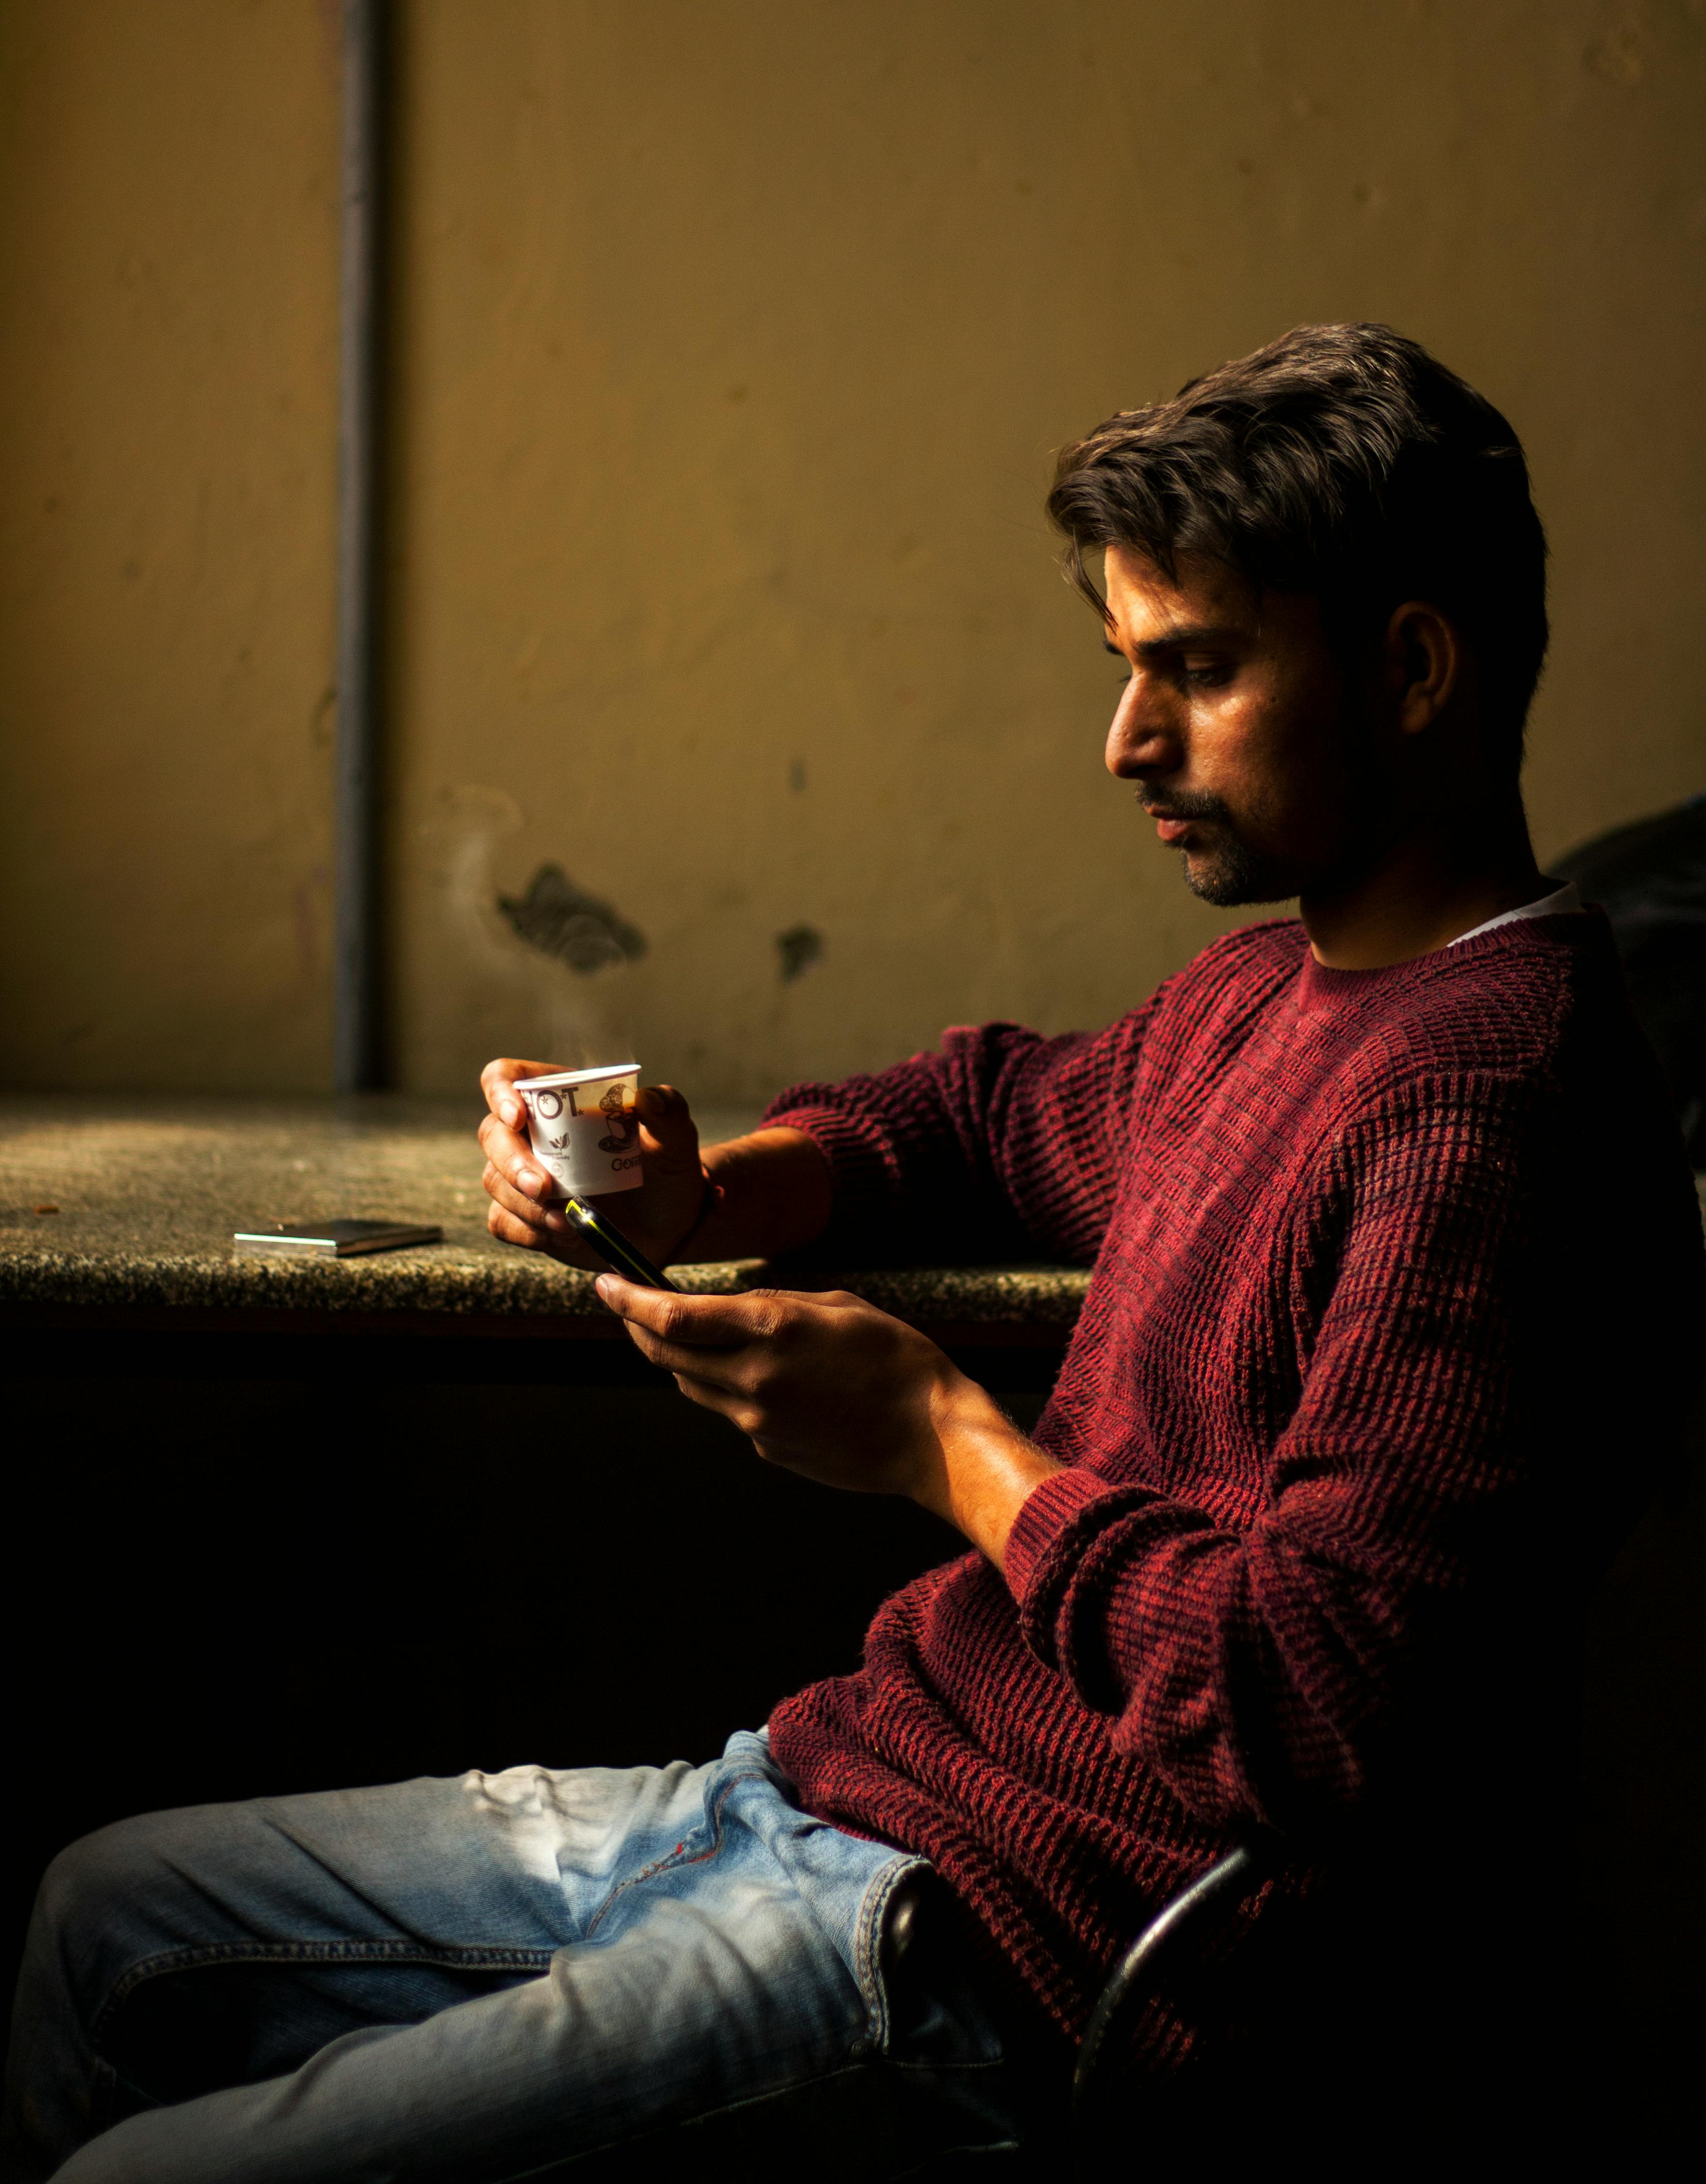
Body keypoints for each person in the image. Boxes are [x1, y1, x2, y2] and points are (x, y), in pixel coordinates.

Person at [8, 325, 1701, 2180]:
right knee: (105, 1930)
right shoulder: (1274, 997)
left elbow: (1313, 1712)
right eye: (1126, 667)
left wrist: (942, 1442)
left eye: (1196, 671)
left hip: (1012, 1958)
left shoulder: (1498, 1102)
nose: (1125, 740)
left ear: (1411, 669)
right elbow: (987, 1113)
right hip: (819, 1794)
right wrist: (716, 1192)